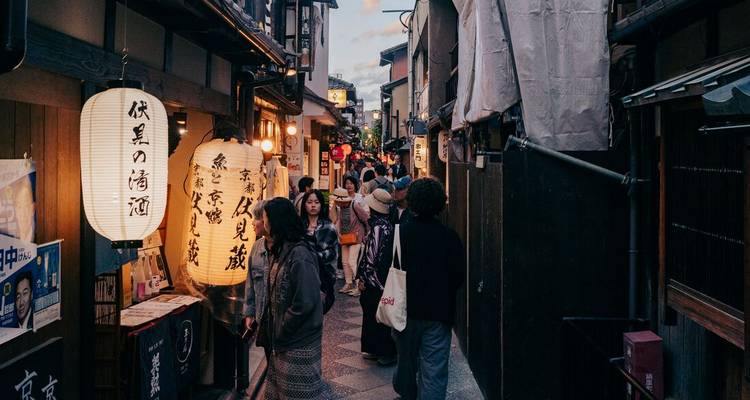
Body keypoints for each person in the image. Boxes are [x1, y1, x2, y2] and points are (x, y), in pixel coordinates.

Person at [392, 178, 464, 400]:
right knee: (434, 369)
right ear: (440, 203)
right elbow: (458, 275)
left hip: (404, 311)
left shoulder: (401, 233)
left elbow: (390, 268)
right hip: (438, 312)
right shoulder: (449, 237)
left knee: (406, 360)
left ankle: (406, 393)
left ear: (411, 201)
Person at [256, 198, 328, 399]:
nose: (263, 222)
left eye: (265, 218)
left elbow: (305, 301)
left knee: (297, 393)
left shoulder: (299, 253)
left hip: (298, 340)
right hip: (284, 341)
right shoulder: (280, 249)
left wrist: (283, 327)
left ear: (276, 221)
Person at [356, 188, 397, 366]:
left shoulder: (379, 226)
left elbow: (372, 256)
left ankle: (382, 351)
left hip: (375, 280)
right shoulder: (387, 223)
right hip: (382, 278)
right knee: (378, 315)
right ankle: (377, 349)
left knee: (375, 314)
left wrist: (364, 277)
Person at [300, 190, 338, 313]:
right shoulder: (299, 227)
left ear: (321, 205)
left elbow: (332, 253)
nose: (313, 205)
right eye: (309, 202)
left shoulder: (328, 226)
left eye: (316, 202)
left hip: (322, 277)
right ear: (304, 205)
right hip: (301, 276)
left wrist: (310, 256)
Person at [332, 177, 369, 297]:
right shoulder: (341, 207)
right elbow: (336, 220)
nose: (348, 185)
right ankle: (348, 283)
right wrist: (339, 233)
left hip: (356, 236)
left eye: (351, 183)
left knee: (352, 261)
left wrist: (366, 233)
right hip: (345, 236)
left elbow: (365, 218)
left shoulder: (356, 204)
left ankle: (359, 285)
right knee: (344, 262)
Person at [242, 200, 270, 336]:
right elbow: (250, 283)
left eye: (257, 218)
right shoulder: (257, 246)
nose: (253, 222)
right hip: (261, 319)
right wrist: (249, 312)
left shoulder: (288, 249)